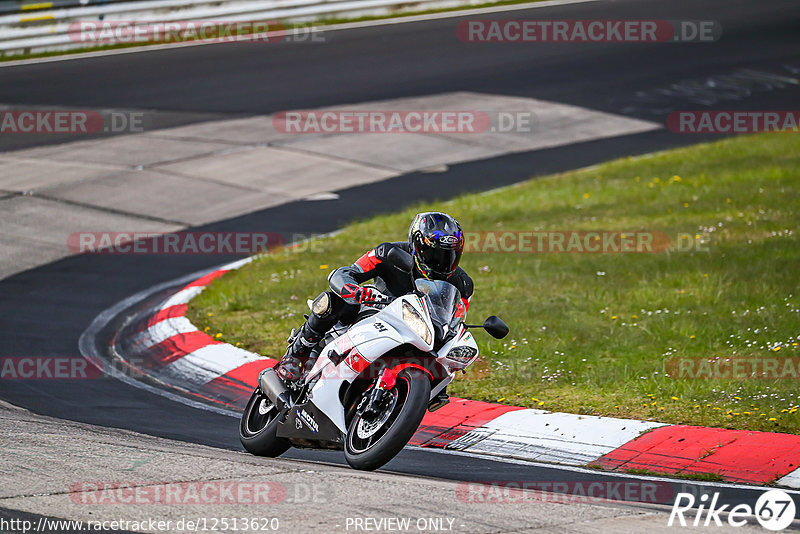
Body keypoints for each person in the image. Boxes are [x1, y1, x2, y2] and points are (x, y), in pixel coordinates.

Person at [274, 211, 473, 385]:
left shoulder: (463, 284)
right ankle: (296, 354)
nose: (442, 263)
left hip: (419, 332)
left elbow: (456, 321)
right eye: (434, 254)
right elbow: (344, 273)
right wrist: (355, 291)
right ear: (417, 245)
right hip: (375, 311)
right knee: (332, 301)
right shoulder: (387, 253)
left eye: (449, 256)